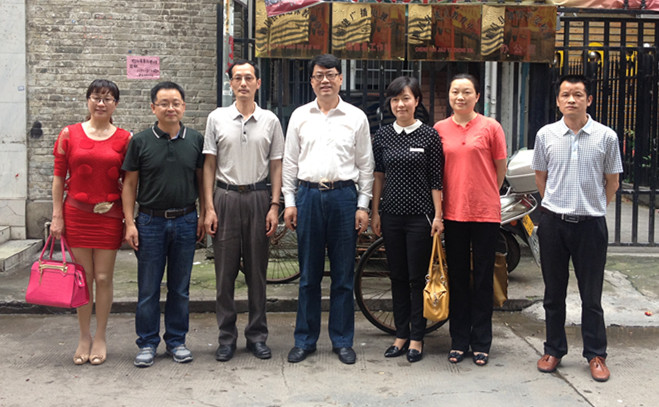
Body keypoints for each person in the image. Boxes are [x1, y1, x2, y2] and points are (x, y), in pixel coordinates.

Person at [282, 54, 374, 365]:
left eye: (331, 74)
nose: (325, 80)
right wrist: (290, 202)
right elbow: (290, 163)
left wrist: (363, 205)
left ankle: (342, 340)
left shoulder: (356, 117)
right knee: (308, 275)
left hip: (343, 197)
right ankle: (304, 340)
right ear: (311, 81)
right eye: (319, 75)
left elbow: (365, 164)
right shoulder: (300, 116)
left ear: (340, 79)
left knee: (343, 275)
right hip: (308, 196)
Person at [532, 74, 622, 382]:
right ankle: (554, 349)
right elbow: (541, 177)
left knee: (591, 295)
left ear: (589, 100)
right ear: (558, 101)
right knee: (553, 293)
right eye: (565, 94)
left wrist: (594, 207)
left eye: (578, 94)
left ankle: (596, 354)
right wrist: (555, 205)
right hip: (553, 224)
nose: (571, 99)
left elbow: (612, 182)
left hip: (590, 226)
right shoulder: (546, 135)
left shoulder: (606, 137)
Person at [202, 60, 284, 362]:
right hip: (225, 197)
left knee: (257, 273)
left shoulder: (270, 120)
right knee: (224, 274)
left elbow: (277, 164)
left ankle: (257, 336)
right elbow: (209, 164)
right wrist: (209, 207)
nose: (243, 83)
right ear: (231, 83)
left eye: (249, 78)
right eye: (237, 78)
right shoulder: (217, 118)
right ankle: (226, 338)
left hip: (258, 197)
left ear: (258, 83)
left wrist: (274, 205)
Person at [122, 81, 205, 368]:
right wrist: (129, 223)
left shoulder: (195, 140)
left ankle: (176, 341)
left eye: (176, 103)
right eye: (164, 103)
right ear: (153, 107)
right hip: (149, 222)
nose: (171, 108)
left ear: (184, 106)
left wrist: (204, 213)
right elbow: (129, 184)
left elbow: (202, 181)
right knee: (148, 288)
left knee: (180, 288)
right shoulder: (141, 141)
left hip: (186, 220)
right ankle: (147, 343)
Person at [51, 79, 131, 366]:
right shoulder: (69, 134)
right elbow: (58, 177)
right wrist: (56, 216)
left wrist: (129, 219)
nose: (101, 103)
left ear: (115, 105)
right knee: (82, 278)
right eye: (96, 97)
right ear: (88, 101)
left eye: (107, 99)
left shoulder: (125, 138)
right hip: (76, 214)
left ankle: (100, 336)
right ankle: (83, 337)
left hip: (109, 216)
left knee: (103, 278)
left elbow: (130, 182)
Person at [433, 73, 507, 367]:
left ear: (477, 96)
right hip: (453, 212)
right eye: (455, 92)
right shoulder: (439, 129)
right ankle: (459, 340)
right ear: (449, 96)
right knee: (458, 277)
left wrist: (484, 192)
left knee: (483, 278)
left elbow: (499, 168)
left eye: (466, 92)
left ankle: (481, 342)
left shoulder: (491, 127)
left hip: (485, 212)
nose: (460, 97)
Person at [371, 76, 444, 363]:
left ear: (416, 101)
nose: (400, 104)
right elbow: (379, 176)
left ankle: (417, 338)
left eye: (405, 98)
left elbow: (436, 180)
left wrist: (438, 216)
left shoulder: (429, 135)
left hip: (420, 218)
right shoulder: (383, 136)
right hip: (391, 216)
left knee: (417, 279)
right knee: (397, 276)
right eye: (395, 99)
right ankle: (400, 335)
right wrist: (376, 211)